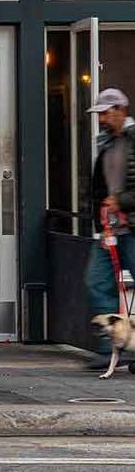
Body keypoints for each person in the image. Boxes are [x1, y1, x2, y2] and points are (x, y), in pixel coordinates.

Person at [86, 88, 135, 370]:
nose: (102, 118)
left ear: (121, 110)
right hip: (109, 232)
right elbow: (98, 188)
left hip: (131, 229)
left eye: (106, 113)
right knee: (96, 282)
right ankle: (111, 347)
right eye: (100, 114)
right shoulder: (106, 144)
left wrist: (121, 202)